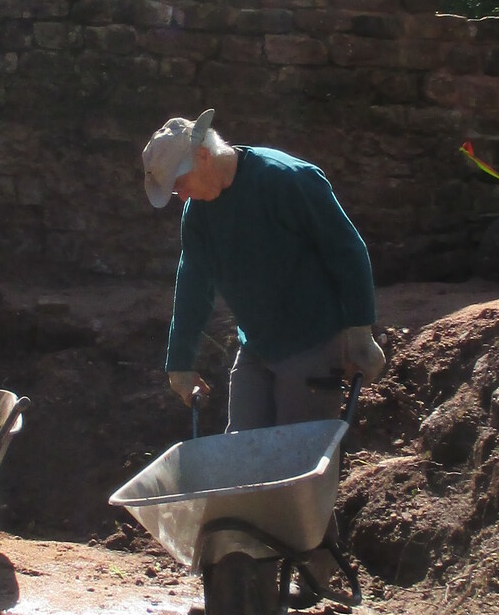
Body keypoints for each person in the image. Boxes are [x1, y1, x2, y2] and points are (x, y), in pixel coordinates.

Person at [144, 109, 386, 431]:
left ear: (203, 155)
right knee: (241, 449)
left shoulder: (285, 179)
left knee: (298, 452)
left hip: (312, 342)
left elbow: (348, 252)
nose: (183, 196)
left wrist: (360, 333)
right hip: (256, 346)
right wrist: (180, 363)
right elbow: (193, 284)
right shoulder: (198, 213)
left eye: (181, 184)